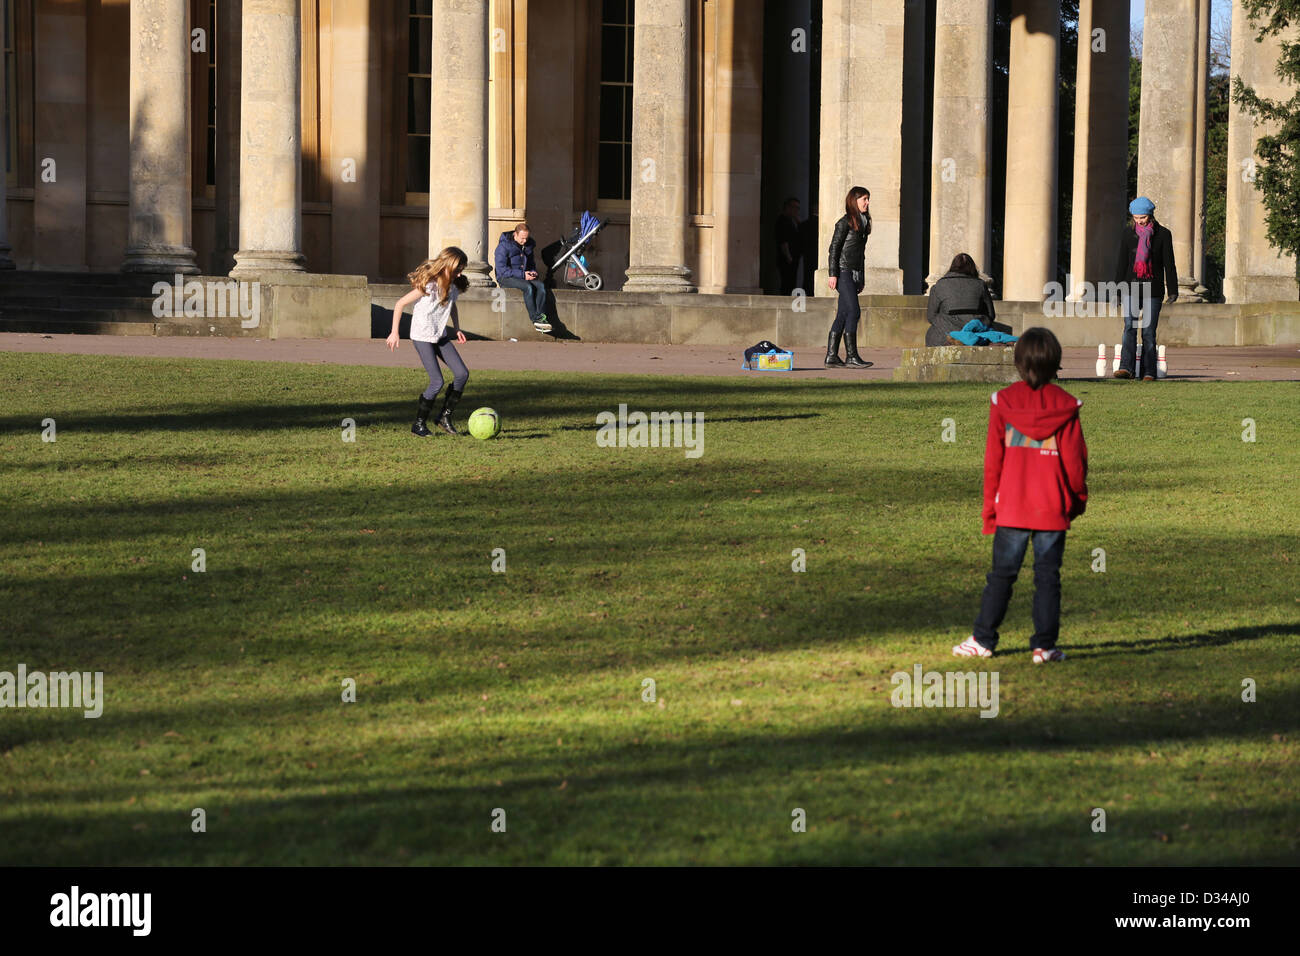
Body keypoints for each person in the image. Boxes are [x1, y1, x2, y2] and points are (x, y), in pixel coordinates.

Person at [953, 327, 1088, 664]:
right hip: (1051, 506)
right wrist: (1076, 501)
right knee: (1047, 578)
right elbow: (1075, 463)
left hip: (1011, 505)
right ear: (1055, 363)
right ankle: (1044, 645)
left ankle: (984, 638)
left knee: (1001, 576)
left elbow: (993, 463)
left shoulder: (1004, 402)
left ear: (1017, 362)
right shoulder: (1067, 406)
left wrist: (990, 510)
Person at [387, 247, 471, 437]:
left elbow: (452, 304)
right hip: (422, 336)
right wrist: (394, 332)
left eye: (462, 269)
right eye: (458, 269)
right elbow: (400, 304)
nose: (460, 273)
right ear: (447, 265)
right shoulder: (430, 284)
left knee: (462, 374)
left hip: (439, 335)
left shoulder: (453, 286)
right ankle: (418, 425)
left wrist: (457, 328)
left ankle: (444, 417)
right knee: (437, 381)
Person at [1113, 196, 1177, 380]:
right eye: (1136, 217)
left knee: (1148, 331)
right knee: (1129, 328)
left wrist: (1173, 290)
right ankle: (1126, 368)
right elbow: (1122, 263)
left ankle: (1149, 371)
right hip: (1130, 288)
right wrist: (1117, 290)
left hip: (1153, 289)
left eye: (1143, 217)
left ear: (1150, 215)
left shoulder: (1163, 234)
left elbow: (1169, 264)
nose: (1139, 221)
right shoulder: (1127, 234)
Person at [824, 186, 873, 369]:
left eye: (868, 199)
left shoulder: (863, 222)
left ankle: (831, 356)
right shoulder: (844, 222)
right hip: (843, 271)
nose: (867, 203)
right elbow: (834, 249)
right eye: (864, 199)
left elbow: (861, 254)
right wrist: (832, 274)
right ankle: (852, 356)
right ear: (855, 200)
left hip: (854, 273)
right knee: (854, 311)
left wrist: (861, 278)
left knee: (843, 313)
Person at [926, 253, 996, 347]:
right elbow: (991, 314)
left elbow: (931, 316)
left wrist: (947, 326)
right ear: (972, 267)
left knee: (932, 333)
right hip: (974, 332)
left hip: (945, 334)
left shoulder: (939, 286)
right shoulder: (980, 285)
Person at [495, 222, 551, 333]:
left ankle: (541, 317)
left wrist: (533, 272)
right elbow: (502, 270)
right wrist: (523, 275)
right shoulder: (503, 246)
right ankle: (535, 319)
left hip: (522, 276)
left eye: (526, 238)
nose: (524, 241)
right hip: (505, 278)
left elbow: (531, 264)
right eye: (522, 238)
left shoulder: (528, 245)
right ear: (515, 234)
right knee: (528, 287)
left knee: (541, 286)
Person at [774, 197, 802, 296]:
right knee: (787, 282)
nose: (796, 211)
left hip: (793, 257)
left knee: (791, 282)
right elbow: (783, 240)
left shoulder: (792, 221)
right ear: (787, 207)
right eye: (794, 207)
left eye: (798, 208)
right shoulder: (783, 221)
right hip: (787, 258)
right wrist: (788, 256)